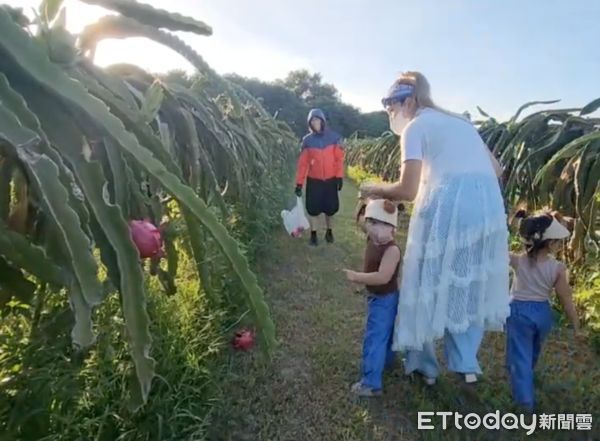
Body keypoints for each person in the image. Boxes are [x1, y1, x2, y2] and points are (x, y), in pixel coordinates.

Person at [360, 71, 510, 385]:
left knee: (425, 277)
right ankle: (466, 362)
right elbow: (496, 169)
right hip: (487, 206)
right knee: (468, 281)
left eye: (394, 105)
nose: (392, 112)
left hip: (447, 203)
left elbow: (407, 189)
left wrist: (375, 189)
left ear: (412, 100)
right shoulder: (462, 123)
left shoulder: (415, 127)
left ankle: (424, 365)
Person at [507, 210, 580, 411]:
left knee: (519, 354)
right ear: (550, 244)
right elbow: (565, 298)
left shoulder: (517, 260)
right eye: (557, 241)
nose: (558, 245)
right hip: (542, 313)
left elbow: (496, 253)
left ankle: (524, 402)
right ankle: (526, 377)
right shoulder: (558, 268)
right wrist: (575, 323)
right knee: (532, 350)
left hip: (519, 312)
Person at [344, 199, 401, 396]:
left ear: (394, 228)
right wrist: (362, 200)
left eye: (385, 225)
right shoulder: (372, 238)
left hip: (385, 299)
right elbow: (358, 219)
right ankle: (385, 362)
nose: (378, 230)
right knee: (384, 335)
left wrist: (357, 277)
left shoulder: (391, 250)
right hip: (378, 298)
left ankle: (370, 383)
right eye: (373, 223)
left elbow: (382, 277)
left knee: (375, 337)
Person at [295, 108, 344, 246]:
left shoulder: (334, 138)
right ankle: (314, 234)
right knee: (313, 210)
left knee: (330, 209)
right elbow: (303, 165)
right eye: (312, 121)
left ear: (322, 121)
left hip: (330, 181)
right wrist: (299, 183)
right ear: (309, 124)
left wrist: (339, 177)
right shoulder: (307, 141)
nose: (315, 123)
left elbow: (339, 159)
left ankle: (329, 232)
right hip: (314, 182)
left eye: (317, 120)